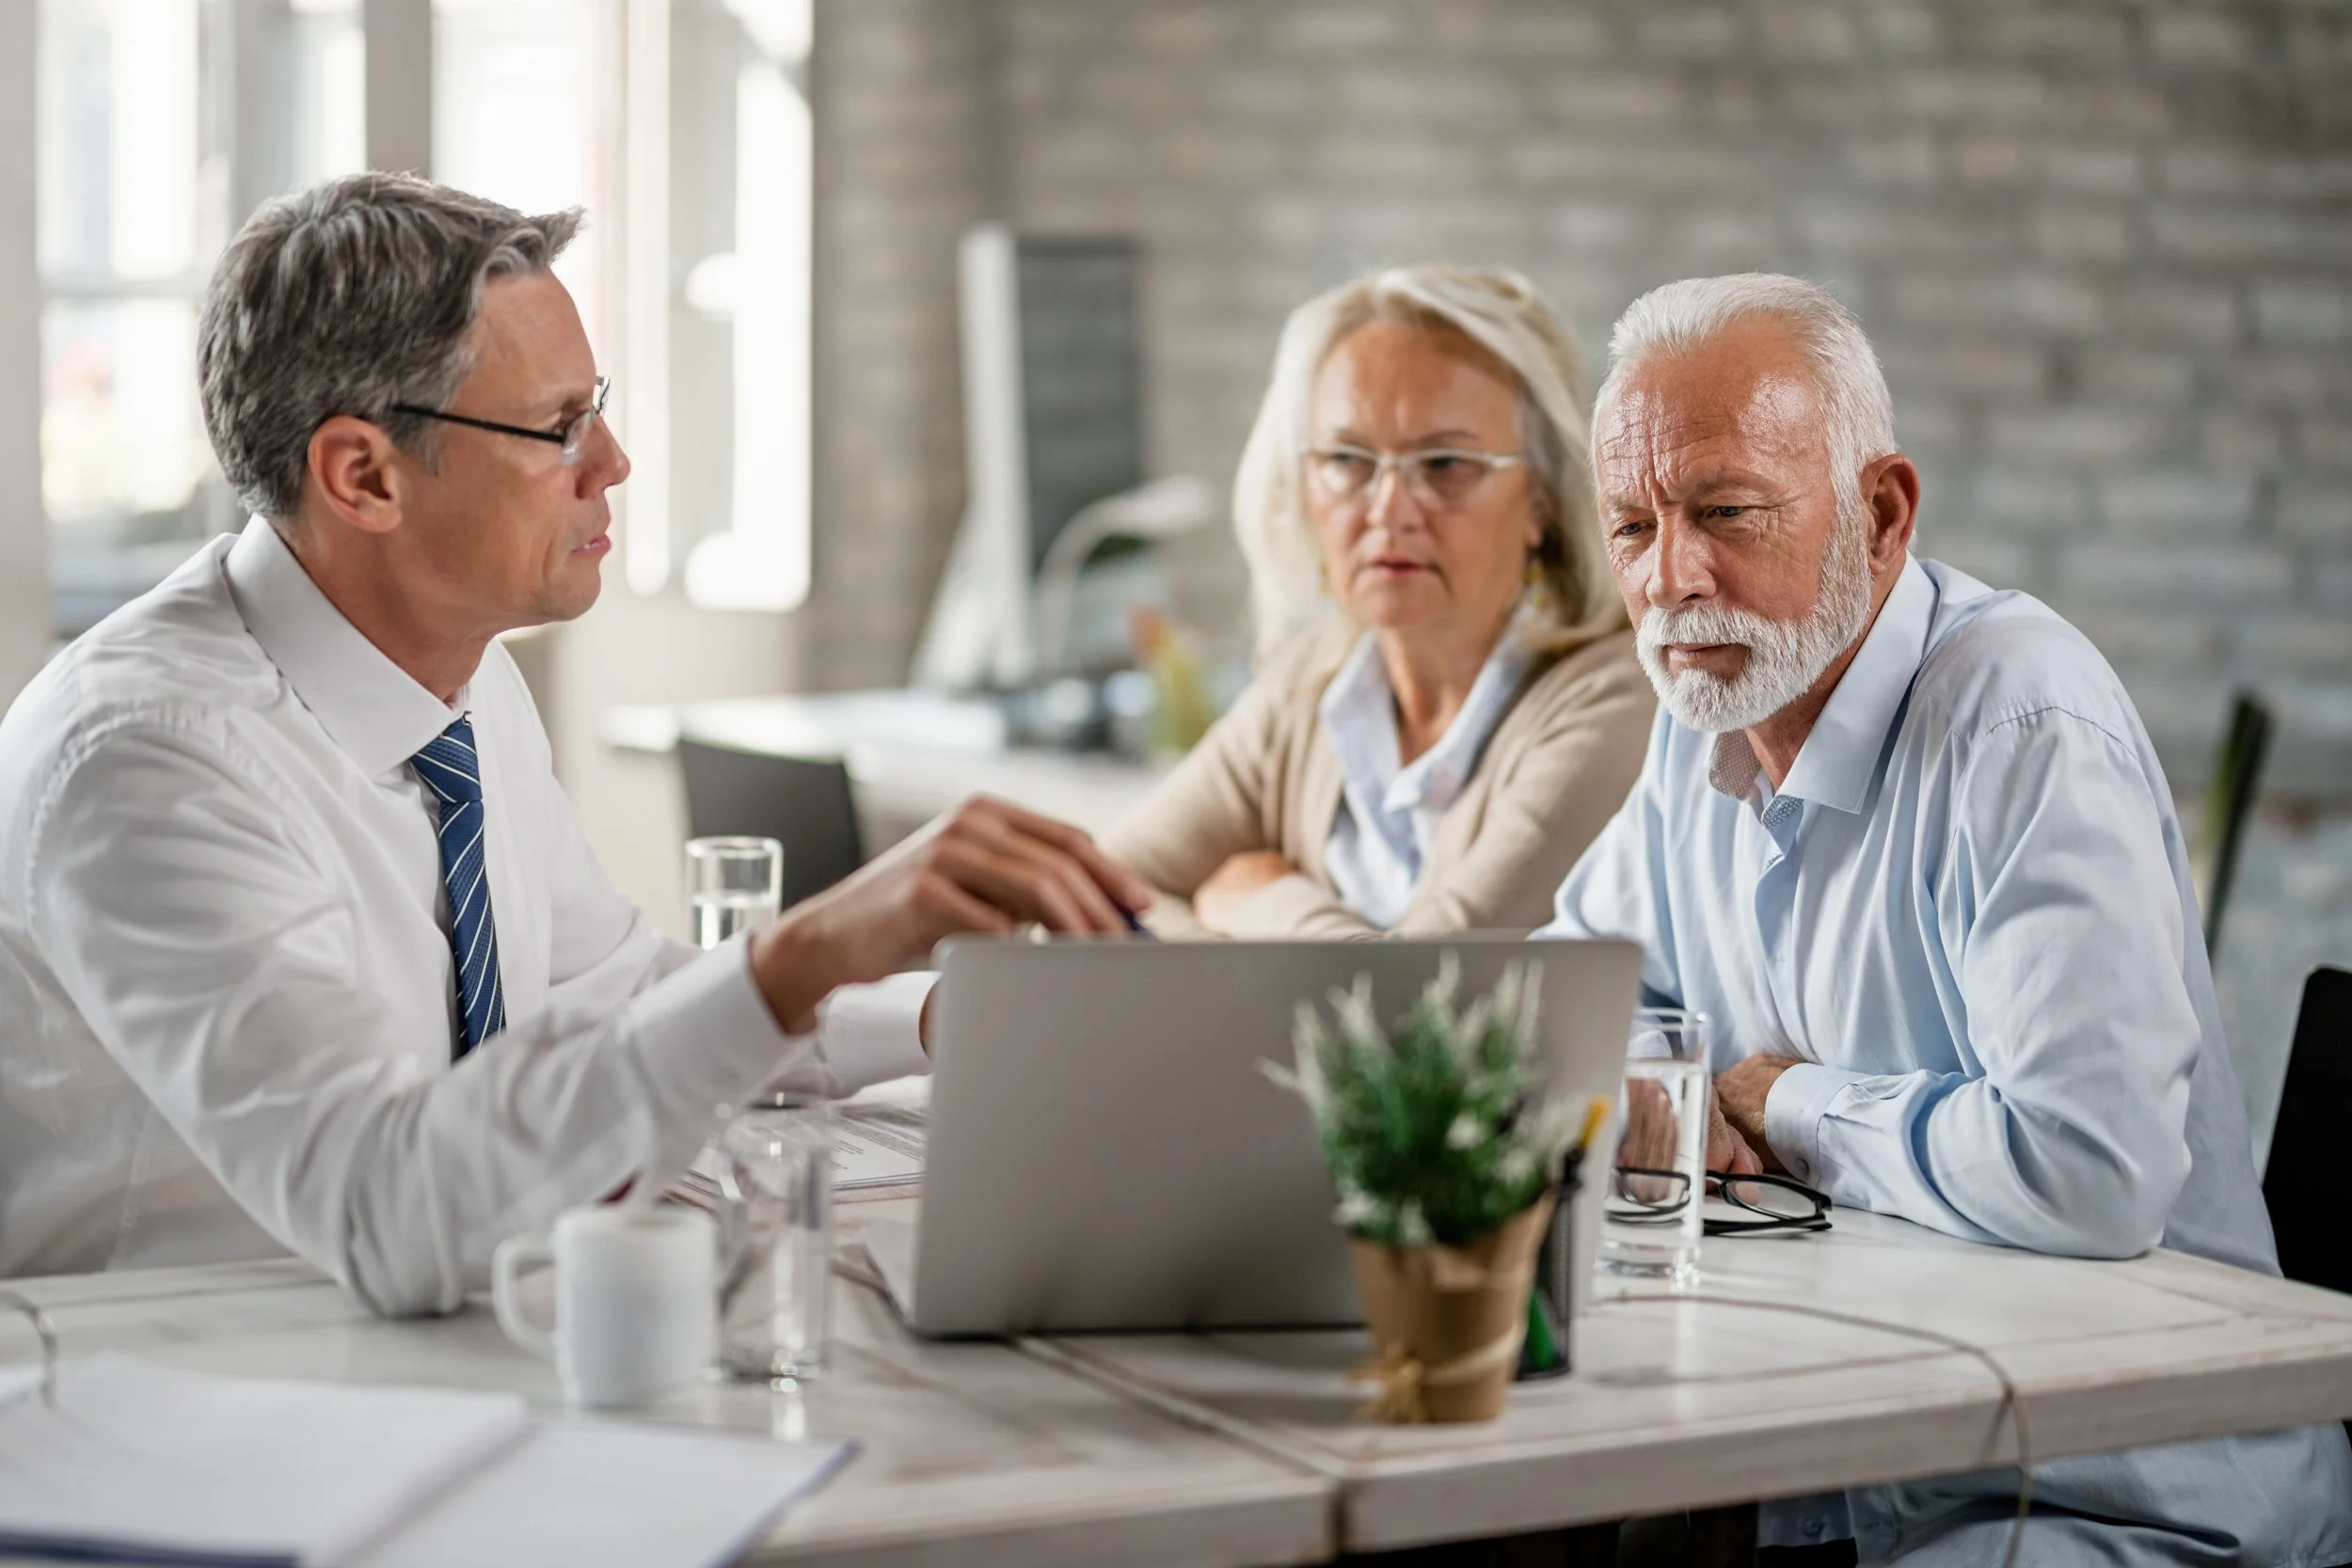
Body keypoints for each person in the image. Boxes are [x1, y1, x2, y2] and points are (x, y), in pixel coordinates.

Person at [0, 173, 1149, 1315]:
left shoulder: (462, 678)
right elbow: (385, 1210)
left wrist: (938, 1018)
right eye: (558, 427)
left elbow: (614, 995)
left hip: (405, 1361)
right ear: (363, 475)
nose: (612, 462)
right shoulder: (146, 759)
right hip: (181, 1398)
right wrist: (803, 951)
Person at [1543, 273, 2352, 1563]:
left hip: (2109, 1491)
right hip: (1863, 1451)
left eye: (1725, 510)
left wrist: (1784, 1100)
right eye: (1632, 525)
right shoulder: (1702, 710)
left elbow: (2088, 1168)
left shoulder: (2022, 721)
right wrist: (1658, 1087)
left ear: (1882, 508)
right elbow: (1567, 1002)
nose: (1673, 576)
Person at [1107, 267, 1654, 938]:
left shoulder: (1618, 703)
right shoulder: (1310, 692)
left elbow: (1424, 1011)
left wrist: (1264, 902)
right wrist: (1234, 957)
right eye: (1347, 459)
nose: (1389, 510)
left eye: (1446, 463)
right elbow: (1088, 899)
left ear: (1541, 497)